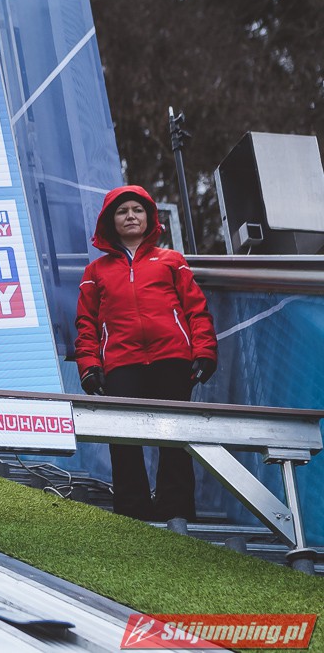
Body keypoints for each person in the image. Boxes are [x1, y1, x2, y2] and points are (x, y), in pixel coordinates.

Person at [74, 185, 217, 522]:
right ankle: (132, 513)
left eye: (137, 210)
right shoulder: (96, 271)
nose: (130, 216)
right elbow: (86, 323)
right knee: (123, 438)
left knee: (175, 436)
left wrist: (205, 350)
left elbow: (196, 309)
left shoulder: (172, 260)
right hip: (121, 363)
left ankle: (176, 511)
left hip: (173, 359)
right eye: (122, 211)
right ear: (110, 222)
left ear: (149, 217)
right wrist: (89, 366)